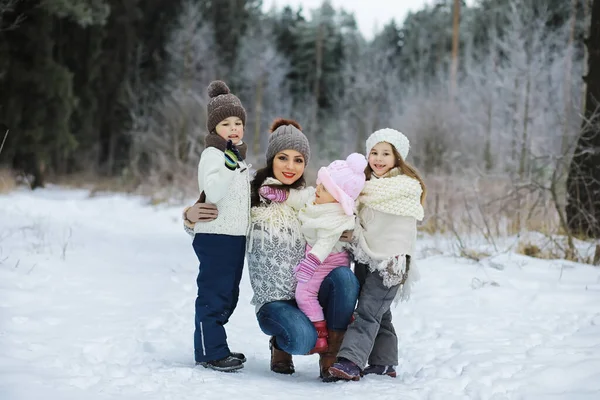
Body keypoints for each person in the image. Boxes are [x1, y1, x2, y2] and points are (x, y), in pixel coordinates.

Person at [184, 119, 360, 382]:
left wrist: (347, 231)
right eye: (283, 157)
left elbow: (348, 210)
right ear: (272, 158)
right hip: (274, 301)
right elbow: (215, 221)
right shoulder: (249, 196)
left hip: (310, 292)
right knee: (302, 340)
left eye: (298, 160)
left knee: (346, 279)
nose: (290, 167)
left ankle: (330, 356)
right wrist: (190, 216)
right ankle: (280, 345)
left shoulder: (314, 198)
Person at [328, 128, 426, 381]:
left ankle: (350, 361)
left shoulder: (405, 189)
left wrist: (397, 260)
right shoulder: (364, 187)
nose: (379, 158)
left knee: (368, 312)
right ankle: (384, 362)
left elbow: (399, 231)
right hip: (365, 256)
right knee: (379, 312)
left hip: (392, 262)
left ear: (397, 159)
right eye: (374, 152)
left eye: (386, 153)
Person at [188, 80, 250, 372]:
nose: (234, 128)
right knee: (214, 294)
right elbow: (213, 193)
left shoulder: (237, 157)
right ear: (214, 129)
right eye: (226, 123)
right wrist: (228, 165)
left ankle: (217, 346)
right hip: (216, 236)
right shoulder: (214, 155)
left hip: (234, 237)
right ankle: (209, 351)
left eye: (238, 122)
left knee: (228, 294)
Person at [288, 153, 367, 354]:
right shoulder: (321, 204)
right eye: (319, 185)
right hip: (319, 258)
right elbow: (301, 198)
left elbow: (325, 243)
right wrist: (281, 195)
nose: (318, 190)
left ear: (338, 197)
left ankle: (320, 332)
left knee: (304, 293)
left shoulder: (336, 217)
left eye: (324, 188)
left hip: (325, 261)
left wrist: (310, 263)